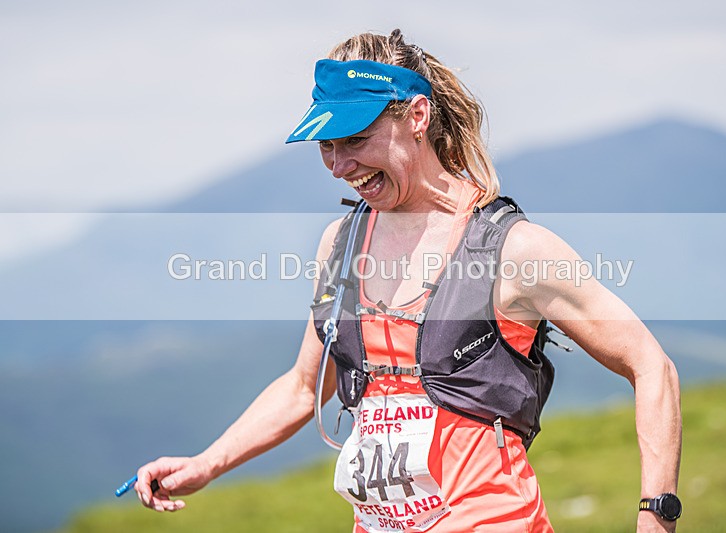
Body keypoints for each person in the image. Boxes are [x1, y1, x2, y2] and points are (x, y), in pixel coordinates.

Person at [135, 29, 682, 532]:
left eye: (356, 139)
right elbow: (306, 386)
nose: (338, 166)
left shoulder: (516, 249)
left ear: (417, 115)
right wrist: (206, 464)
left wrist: (654, 518)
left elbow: (651, 366)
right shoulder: (340, 245)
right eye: (325, 146)